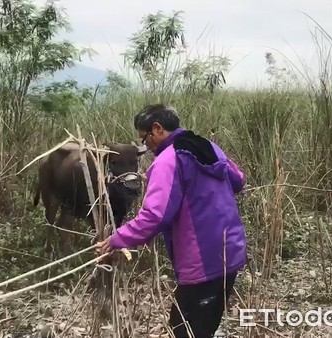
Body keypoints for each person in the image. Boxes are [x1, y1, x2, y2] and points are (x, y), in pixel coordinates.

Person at [96, 104, 248, 338]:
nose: (145, 145)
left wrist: (118, 238)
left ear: (157, 129)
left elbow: (155, 216)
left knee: (185, 329)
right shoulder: (208, 145)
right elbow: (238, 180)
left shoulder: (168, 160)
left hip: (203, 260)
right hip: (232, 249)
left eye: (144, 138)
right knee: (206, 323)